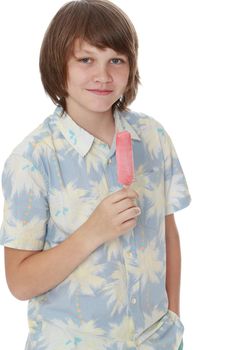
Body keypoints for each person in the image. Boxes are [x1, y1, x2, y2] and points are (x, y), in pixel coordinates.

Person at [0, 0, 191, 349]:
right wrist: (93, 232)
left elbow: (168, 236)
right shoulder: (31, 160)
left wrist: (173, 318)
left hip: (156, 340)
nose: (103, 75)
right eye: (86, 59)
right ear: (59, 66)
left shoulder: (152, 137)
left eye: (115, 60)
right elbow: (19, 282)